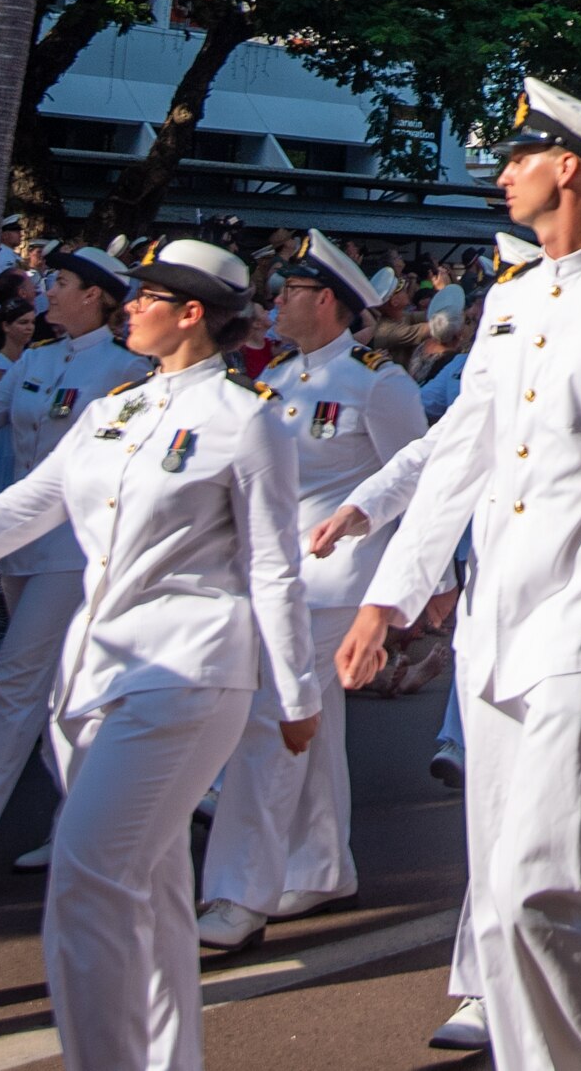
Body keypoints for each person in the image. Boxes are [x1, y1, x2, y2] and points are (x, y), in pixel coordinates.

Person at [0, 235, 319, 1071]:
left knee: (87, 880)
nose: (129, 305)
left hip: (190, 672)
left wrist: (295, 696)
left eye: (147, 296)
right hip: (98, 673)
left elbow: (273, 567)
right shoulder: (115, 410)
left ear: (192, 314)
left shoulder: (246, 420)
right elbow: (18, 509)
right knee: (158, 888)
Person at [335, 83, 581, 1071]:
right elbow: (460, 455)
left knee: (535, 883)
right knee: (495, 890)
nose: (503, 174)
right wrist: (387, 595)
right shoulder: (508, 300)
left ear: (569, 168)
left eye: (519, 157)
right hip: (497, 620)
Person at [200, 229, 430, 952]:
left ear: (324, 300)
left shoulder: (377, 383)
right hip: (278, 579)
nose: (277, 304)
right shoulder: (280, 381)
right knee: (313, 727)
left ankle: (240, 891)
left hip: (338, 583)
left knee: (271, 721)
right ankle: (323, 866)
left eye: (290, 293)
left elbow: (422, 481)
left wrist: (425, 587)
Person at [0, 242, 143, 891]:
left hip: (75, 550)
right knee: (58, 692)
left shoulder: (127, 371)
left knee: (14, 684)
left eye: (62, 281)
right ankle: (82, 822)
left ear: (96, 295)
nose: (49, 290)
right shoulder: (36, 359)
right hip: (19, 546)